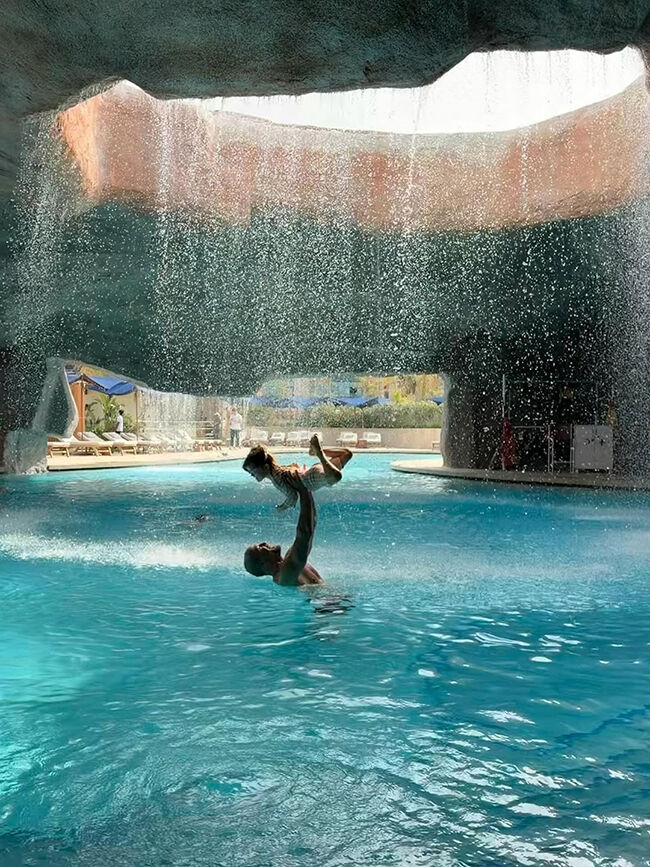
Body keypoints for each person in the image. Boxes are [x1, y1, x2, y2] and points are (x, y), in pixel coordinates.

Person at [244, 471, 322, 586]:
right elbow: (305, 532)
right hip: (327, 598)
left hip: (333, 596)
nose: (264, 543)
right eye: (260, 547)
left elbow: (311, 526)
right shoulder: (286, 574)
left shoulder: (290, 559)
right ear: (264, 564)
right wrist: (303, 489)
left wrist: (306, 488)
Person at [243, 433, 352, 511]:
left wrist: (282, 507)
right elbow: (292, 472)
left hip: (311, 480)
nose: (252, 475)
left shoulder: (276, 479)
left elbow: (293, 497)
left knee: (336, 477)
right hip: (312, 471)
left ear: (266, 467)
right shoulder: (279, 470)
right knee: (347, 454)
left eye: (253, 471)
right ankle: (315, 452)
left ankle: (319, 453)